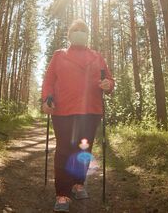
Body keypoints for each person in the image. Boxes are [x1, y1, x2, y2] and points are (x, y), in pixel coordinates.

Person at [41, 19, 114, 212]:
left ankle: (78, 183)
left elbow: (109, 79)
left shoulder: (97, 56)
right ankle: (62, 194)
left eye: (83, 29)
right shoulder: (59, 55)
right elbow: (49, 80)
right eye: (76, 30)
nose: (79, 32)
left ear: (87, 34)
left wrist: (108, 84)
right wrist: (46, 99)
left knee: (84, 149)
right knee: (64, 150)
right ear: (69, 35)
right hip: (64, 110)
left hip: (90, 110)